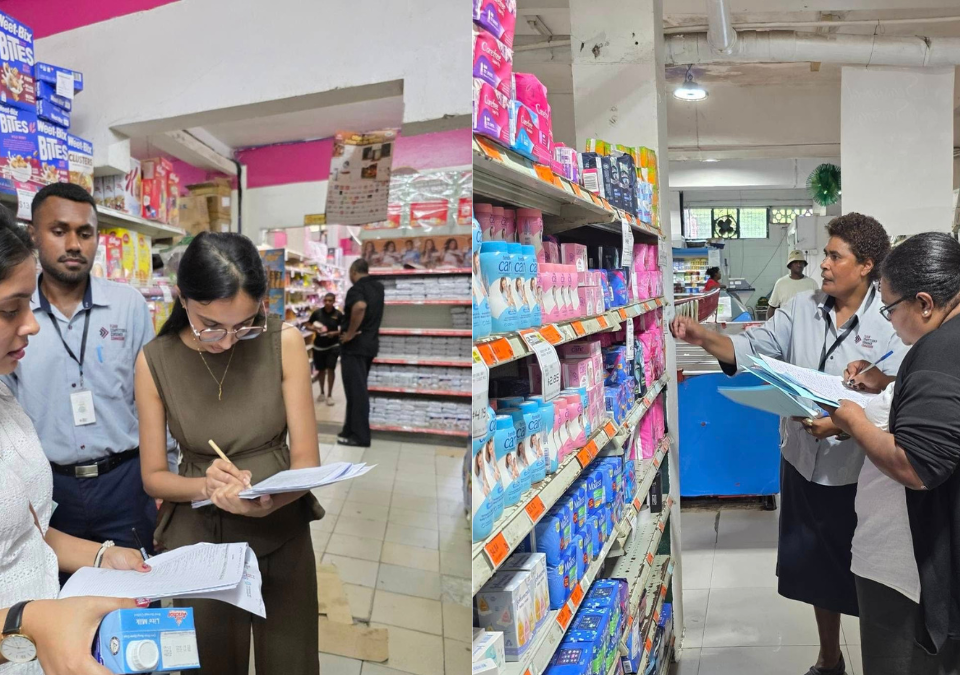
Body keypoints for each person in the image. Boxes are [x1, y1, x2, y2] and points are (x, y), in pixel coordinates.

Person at [670, 213, 908, 675]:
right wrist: (703, 337)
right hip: (802, 461)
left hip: (863, 473)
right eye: (825, 255)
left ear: (866, 265)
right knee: (817, 570)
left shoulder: (889, 320)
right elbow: (752, 349)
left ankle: (880, 660)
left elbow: (901, 394)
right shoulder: (801, 309)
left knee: (868, 574)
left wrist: (847, 420)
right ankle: (829, 658)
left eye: (835, 256)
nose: (823, 265)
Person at [135, 232, 324, 674]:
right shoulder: (155, 361)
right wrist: (206, 487)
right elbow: (153, 476)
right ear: (182, 298)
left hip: (282, 528)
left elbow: (307, 462)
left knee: (292, 660)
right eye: (211, 326)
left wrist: (272, 501)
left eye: (244, 325)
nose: (227, 341)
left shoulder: (283, 341)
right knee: (211, 660)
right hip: (201, 539)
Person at [0, 183, 175, 585]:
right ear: (33, 235)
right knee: (59, 591)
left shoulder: (128, 305)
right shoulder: (18, 312)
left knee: (137, 591)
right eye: (59, 231)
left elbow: (153, 398)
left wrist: (164, 476)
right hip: (50, 483)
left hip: (124, 480)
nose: (74, 244)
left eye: (85, 232)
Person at [0, 211, 147, 674]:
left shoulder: (5, 398)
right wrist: (27, 625)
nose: (32, 324)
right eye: (11, 309)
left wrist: (102, 555)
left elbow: (24, 533)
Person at [829, 232, 960, 674]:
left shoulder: (939, 351)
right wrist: (888, 384)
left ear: (924, 303)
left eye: (890, 308)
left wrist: (852, 420)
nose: (890, 321)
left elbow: (917, 466)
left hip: (908, 568)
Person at [337, 258, 385, 448]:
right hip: (370, 344)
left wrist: (349, 334)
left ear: (353, 271)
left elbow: (360, 307)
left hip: (355, 347)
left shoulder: (356, 289)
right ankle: (348, 429)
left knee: (356, 392)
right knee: (355, 390)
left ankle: (360, 436)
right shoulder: (378, 287)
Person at [308, 292, 342, 405]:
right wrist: (314, 329)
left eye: (330, 301)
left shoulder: (338, 314)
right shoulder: (317, 313)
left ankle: (329, 395)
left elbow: (343, 329)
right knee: (321, 370)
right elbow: (307, 325)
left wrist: (334, 333)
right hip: (319, 346)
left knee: (331, 369)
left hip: (333, 346)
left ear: (334, 301)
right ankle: (322, 392)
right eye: (326, 300)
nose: (327, 303)